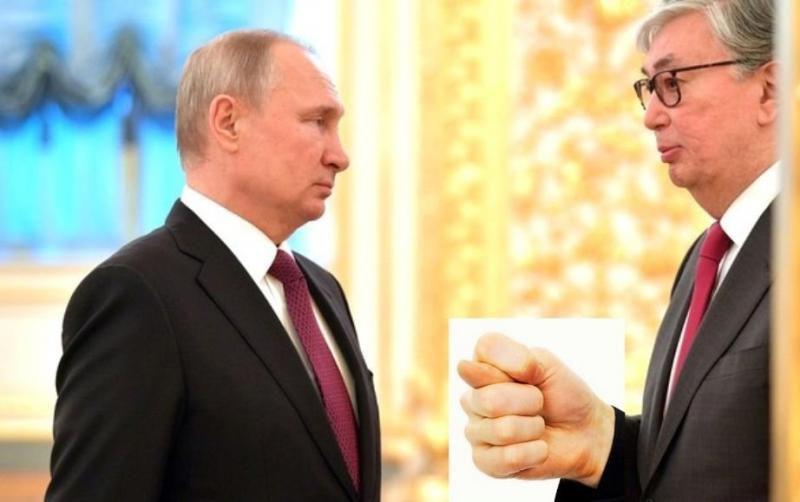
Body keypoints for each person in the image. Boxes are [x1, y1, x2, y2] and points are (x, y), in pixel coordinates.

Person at [459, 0, 777, 500]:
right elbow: (699, 469)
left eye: (673, 83)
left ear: (770, 89)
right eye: (649, 87)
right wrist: (600, 445)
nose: (650, 116)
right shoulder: (707, 256)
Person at [45, 30, 381, 502]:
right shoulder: (137, 293)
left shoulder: (320, 288)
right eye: (317, 121)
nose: (339, 156)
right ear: (228, 122)